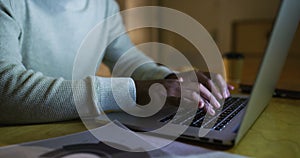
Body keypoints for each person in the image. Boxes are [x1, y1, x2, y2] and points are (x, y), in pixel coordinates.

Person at [0, 0, 233, 125]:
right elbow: (5, 91)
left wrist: (170, 80)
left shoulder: (103, 5)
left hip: (72, 130)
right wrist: (132, 91)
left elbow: (128, 59)